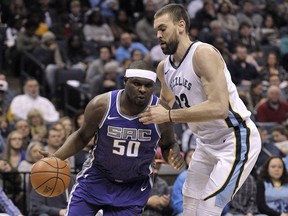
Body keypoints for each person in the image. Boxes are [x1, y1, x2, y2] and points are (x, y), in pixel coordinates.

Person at [138, 4, 262, 216]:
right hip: (205, 143)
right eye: (156, 30)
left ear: (181, 25)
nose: (158, 35)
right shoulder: (163, 67)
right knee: (190, 206)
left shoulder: (203, 54)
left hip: (236, 139)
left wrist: (169, 115)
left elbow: (219, 108)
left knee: (208, 208)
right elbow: (164, 106)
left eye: (162, 28)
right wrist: (169, 143)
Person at [40, 60, 184, 215]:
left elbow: (168, 143)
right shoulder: (101, 105)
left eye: (148, 85)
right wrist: (56, 157)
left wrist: (173, 154)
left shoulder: (161, 111)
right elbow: (82, 136)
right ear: (125, 82)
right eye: (137, 84)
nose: (142, 89)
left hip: (133, 187)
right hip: (96, 179)